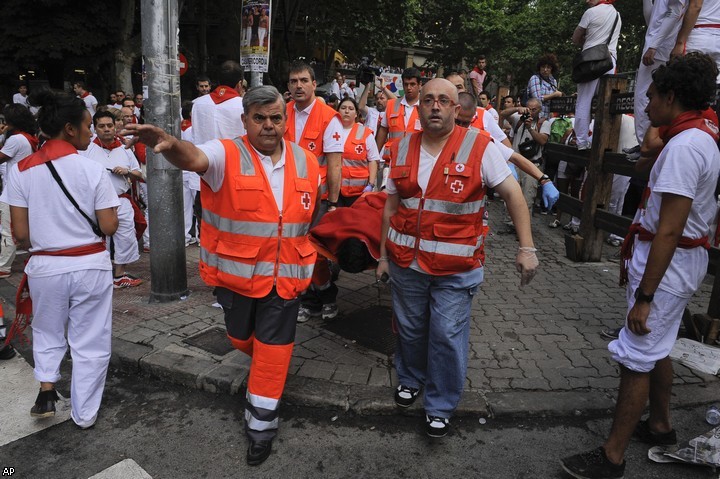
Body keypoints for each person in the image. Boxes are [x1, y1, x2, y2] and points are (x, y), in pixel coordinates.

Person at [122, 85, 320, 467]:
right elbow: (193, 157)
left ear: (285, 120)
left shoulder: (306, 161)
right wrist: (170, 143)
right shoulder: (225, 153)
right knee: (241, 338)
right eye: (259, 118)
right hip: (237, 280)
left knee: (274, 352)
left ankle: (261, 425)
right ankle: (263, 370)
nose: (268, 126)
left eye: (276, 118)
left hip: (287, 278)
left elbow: (305, 216)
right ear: (245, 120)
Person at [561, 52, 720, 479]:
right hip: (676, 260)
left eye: (650, 97)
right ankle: (661, 424)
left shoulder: (686, 147)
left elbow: (669, 230)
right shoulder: (696, 135)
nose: (644, 107)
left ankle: (612, 457)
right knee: (659, 346)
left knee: (635, 354)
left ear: (671, 96)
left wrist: (645, 297)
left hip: (668, 265)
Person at [376, 78, 539, 438]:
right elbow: (390, 206)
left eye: (443, 100)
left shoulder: (480, 147)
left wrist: (526, 248)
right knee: (411, 328)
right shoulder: (399, 148)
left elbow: (513, 195)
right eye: (429, 99)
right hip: (407, 263)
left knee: (446, 335)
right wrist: (384, 256)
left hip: (456, 269)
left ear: (456, 108)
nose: (435, 106)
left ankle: (440, 404)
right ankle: (410, 378)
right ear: (418, 107)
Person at [8, 90, 119, 428]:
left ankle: (46, 387)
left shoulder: (21, 170)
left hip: (45, 266)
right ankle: (84, 414)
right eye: (88, 125)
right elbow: (108, 225)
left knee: (47, 329)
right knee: (90, 339)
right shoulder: (93, 169)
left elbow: (21, 235)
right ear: (70, 129)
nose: (91, 132)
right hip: (90, 265)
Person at [297, 97, 381, 323]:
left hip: (357, 198)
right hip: (330, 195)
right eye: (342, 107)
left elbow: (373, 160)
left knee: (346, 238)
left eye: (350, 108)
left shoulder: (365, 134)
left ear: (356, 113)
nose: (346, 111)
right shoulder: (330, 129)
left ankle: (332, 274)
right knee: (317, 246)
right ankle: (316, 294)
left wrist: (371, 185)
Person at [81, 111, 144, 288]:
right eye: (102, 126)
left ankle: (119, 275)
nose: (107, 129)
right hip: (95, 202)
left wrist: (127, 172)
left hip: (121, 200)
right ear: (95, 128)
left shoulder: (124, 149)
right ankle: (101, 274)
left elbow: (139, 173)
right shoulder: (87, 150)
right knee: (98, 238)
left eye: (109, 125)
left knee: (125, 237)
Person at [572, 0, 622, 150]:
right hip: (609, 61)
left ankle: (581, 141)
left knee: (584, 101)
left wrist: (587, 40)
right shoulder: (617, 15)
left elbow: (575, 38)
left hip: (591, 61)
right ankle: (601, 138)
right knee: (605, 101)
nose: (587, 1)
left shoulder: (591, 12)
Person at [0, 104, 39, 279]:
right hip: (25, 190)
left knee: (7, 230)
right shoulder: (28, 137)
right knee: (26, 230)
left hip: (11, 192)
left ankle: (3, 266)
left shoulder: (15, 140)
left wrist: (1, 134)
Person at [191, 61, 246, 145]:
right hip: (234, 156)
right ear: (240, 84)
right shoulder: (244, 106)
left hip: (203, 156)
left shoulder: (197, 104)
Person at [375, 67, 423, 160]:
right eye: (406, 84)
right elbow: (383, 130)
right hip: (392, 159)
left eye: (412, 84)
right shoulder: (391, 105)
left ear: (420, 85)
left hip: (416, 159)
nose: (409, 88)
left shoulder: (426, 106)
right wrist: (375, 156)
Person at [527, 53, 564, 119]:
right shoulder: (535, 78)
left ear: (552, 69)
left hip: (547, 118)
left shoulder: (553, 81)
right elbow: (537, 99)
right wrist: (554, 95)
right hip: (535, 117)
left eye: (548, 67)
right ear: (539, 67)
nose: (545, 70)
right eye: (543, 67)